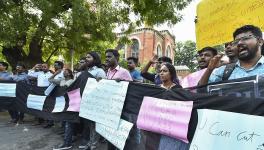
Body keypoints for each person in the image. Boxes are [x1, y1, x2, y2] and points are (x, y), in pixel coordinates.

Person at [198, 25, 264, 85]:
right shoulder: (223, 71)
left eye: (245, 38)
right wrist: (209, 69)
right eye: (236, 41)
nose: (239, 43)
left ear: (260, 41)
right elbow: (200, 91)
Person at [105, 49, 132, 150]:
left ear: (117, 58)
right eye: (106, 57)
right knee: (109, 134)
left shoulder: (124, 72)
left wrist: (122, 83)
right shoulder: (108, 71)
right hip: (110, 108)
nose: (106, 59)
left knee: (121, 136)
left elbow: (131, 89)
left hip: (121, 110)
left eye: (109, 57)